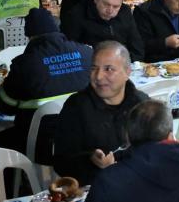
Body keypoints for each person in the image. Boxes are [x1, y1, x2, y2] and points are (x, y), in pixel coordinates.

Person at [0, 8, 93, 158]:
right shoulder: (87, 53)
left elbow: (4, 105)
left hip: (41, 143)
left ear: (30, 36)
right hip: (84, 139)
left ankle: (23, 174)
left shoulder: (25, 64)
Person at [53, 41, 149, 186]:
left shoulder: (142, 105)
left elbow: (155, 152)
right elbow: (61, 162)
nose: (98, 76)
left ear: (127, 72)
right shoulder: (77, 107)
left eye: (108, 69)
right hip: (93, 187)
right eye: (94, 68)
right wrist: (90, 160)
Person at [61, 0, 144, 61]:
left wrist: (130, 63)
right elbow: (68, 52)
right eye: (106, 4)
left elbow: (137, 47)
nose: (110, 10)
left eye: (116, 6)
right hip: (91, 64)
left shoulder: (125, 11)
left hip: (123, 63)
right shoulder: (76, 15)